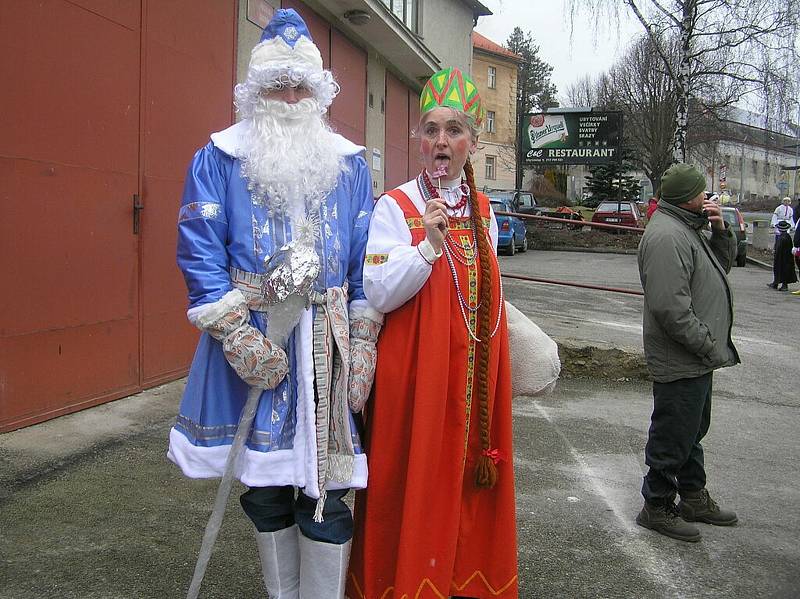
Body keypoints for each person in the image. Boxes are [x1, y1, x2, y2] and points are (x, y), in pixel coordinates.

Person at [167, 9, 378, 597]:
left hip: (330, 347)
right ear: (255, 92)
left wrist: (363, 339)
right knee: (265, 489)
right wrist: (235, 333)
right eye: (277, 85)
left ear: (317, 92)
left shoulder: (349, 165)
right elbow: (199, 249)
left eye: (300, 86)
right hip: (256, 337)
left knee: (331, 493)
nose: (289, 97)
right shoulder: (218, 158)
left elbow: (364, 260)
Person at [347, 67, 518, 597]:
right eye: (430, 130)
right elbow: (377, 289)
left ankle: (463, 581)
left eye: (453, 130)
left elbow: (487, 291)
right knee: (416, 480)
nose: (441, 141)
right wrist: (427, 246)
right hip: (418, 376)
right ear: (419, 142)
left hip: (473, 380)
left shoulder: (485, 209)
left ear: (471, 142)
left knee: (468, 481)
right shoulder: (394, 207)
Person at [636, 163, 740, 542]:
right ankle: (657, 505)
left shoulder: (687, 228)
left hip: (695, 356)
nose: (707, 197)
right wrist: (707, 346)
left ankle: (693, 496)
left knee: (691, 431)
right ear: (686, 197)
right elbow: (670, 309)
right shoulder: (667, 236)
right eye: (701, 192)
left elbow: (720, 269)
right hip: (681, 356)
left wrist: (720, 229)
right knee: (672, 435)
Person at [767, 220, 797, 291]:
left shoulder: (782, 238)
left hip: (782, 257)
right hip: (786, 257)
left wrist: (775, 252)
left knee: (782, 269)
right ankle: (776, 283)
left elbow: (779, 248)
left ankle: (784, 285)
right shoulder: (786, 236)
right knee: (781, 269)